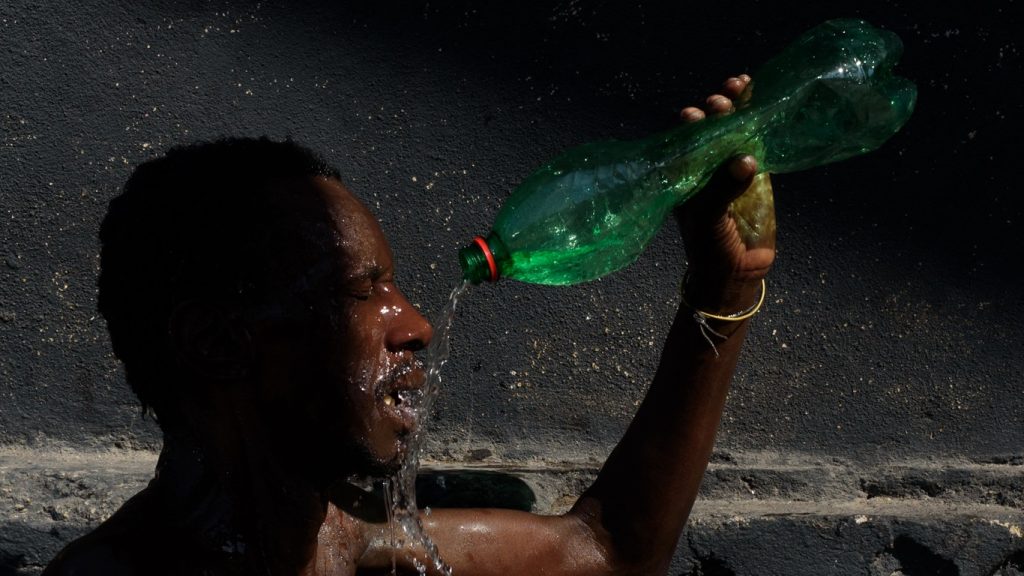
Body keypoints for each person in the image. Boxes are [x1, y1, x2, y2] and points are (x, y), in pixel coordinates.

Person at [43, 75, 775, 575]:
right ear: (217, 342)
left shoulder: (365, 548)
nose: (417, 323)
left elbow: (611, 552)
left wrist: (726, 286)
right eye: (362, 294)